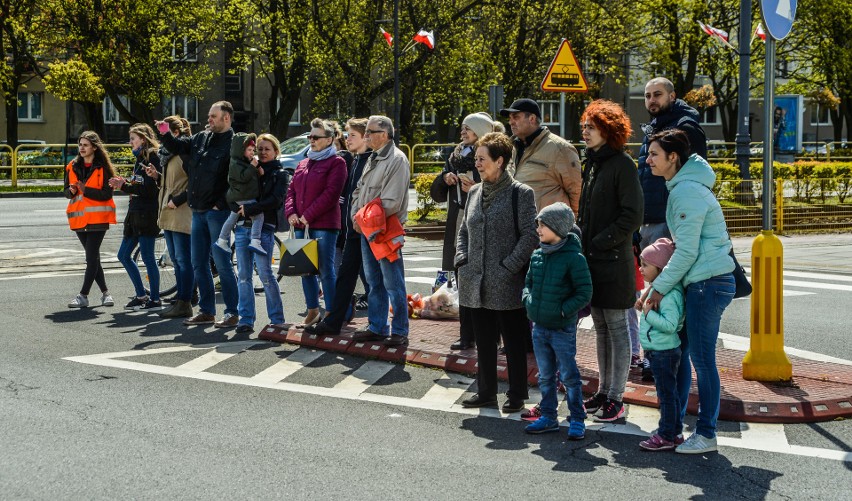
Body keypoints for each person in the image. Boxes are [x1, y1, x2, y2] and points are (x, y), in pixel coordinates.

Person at [644, 129, 735, 454]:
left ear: (673, 158)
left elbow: (687, 251)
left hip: (707, 284)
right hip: (702, 281)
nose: (648, 159)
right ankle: (671, 430)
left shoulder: (686, 192)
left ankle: (706, 434)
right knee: (683, 355)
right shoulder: (684, 187)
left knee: (702, 360)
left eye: (654, 154)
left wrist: (658, 289)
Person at [455, 132, 538, 412]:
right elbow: (464, 229)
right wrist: (462, 258)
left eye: (481, 159)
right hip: (475, 279)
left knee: (513, 343)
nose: (477, 163)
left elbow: (530, 236)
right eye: (476, 158)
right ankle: (486, 391)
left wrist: (509, 267)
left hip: (506, 281)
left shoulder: (521, 194)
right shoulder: (475, 192)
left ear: (499, 161)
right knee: (484, 342)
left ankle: (516, 395)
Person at [576, 99, 644, 423]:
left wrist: (601, 242)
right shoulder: (592, 164)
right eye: (584, 126)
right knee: (600, 326)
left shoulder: (622, 165)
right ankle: (604, 391)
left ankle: (617, 397)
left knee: (617, 329)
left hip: (614, 262)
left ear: (608, 129)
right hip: (593, 259)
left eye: (591, 127)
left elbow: (632, 215)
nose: (585, 132)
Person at [157, 101, 238, 328]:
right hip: (198, 210)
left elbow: (236, 179)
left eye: (214, 116)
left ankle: (232, 312)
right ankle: (207, 311)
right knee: (198, 263)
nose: (209, 119)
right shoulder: (201, 138)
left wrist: (220, 203)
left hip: (217, 213)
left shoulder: (234, 143)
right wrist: (164, 133)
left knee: (222, 264)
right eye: (209, 116)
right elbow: (178, 146)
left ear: (226, 118)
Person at [522, 202, 592, 439]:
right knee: (545, 375)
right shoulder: (537, 255)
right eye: (538, 224)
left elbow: (584, 292)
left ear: (559, 228)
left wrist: (564, 311)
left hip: (562, 328)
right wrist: (528, 301)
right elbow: (528, 283)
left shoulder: (574, 258)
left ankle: (577, 419)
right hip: (539, 327)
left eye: (543, 225)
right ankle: (549, 416)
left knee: (570, 376)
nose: (538, 229)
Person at [429, 112, 493, 351]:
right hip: (458, 222)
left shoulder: (491, 153)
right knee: (462, 278)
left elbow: (499, 187)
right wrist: (444, 179)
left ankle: (487, 334)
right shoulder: (456, 156)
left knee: (483, 282)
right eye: (462, 128)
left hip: (481, 224)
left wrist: (477, 188)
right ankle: (466, 335)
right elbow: (437, 195)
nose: (463, 132)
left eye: (468, 128)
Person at [305, 118, 372, 336]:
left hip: (364, 227)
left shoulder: (358, 161)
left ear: (366, 137)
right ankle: (334, 320)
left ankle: (381, 325)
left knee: (373, 278)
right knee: (344, 274)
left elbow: (336, 194)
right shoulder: (353, 160)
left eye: (352, 134)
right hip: (351, 227)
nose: (347, 138)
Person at [349, 115, 410, 346]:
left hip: (386, 230)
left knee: (394, 284)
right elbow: (358, 191)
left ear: (384, 135)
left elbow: (391, 202)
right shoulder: (374, 158)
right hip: (368, 228)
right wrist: (358, 214)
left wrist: (362, 217)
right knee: (374, 282)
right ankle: (377, 326)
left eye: (369, 132)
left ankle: (400, 331)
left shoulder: (397, 160)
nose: (366, 136)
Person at [285, 118, 348, 326]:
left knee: (325, 270)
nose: (311, 140)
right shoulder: (304, 162)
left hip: (324, 225)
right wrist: (291, 213)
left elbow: (331, 194)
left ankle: (331, 312)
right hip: (302, 224)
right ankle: (313, 311)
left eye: (316, 137)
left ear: (329, 139)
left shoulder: (337, 163)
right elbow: (291, 191)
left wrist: (308, 215)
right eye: (310, 136)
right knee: (306, 269)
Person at [636, 77, 707, 249]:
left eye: (657, 94)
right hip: (649, 219)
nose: (652, 100)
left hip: (671, 219)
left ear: (672, 96)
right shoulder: (653, 129)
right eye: (647, 96)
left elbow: (697, 176)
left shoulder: (685, 128)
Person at [233, 134, 289, 334]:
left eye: (267, 149)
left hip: (265, 229)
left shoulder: (280, 174)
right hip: (242, 228)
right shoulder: (251, 171)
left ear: (276, 151)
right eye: (260, 149)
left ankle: (277, 320)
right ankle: (245, 319)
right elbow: (235, 191)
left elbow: (275, 201)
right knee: (244, 276)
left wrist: (250, 209)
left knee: (265, 275)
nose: (263, 152)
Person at [636, 238, 685, 451]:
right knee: (669, 394)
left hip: (664, 351)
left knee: (666, 396)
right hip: (659, 351)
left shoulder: (670, 295)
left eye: (646, 265)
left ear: (661, 268)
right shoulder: (658, 289)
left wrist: (649, 314)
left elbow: (670, 325)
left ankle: (665, 435)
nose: (641, 268)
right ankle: (674, 433)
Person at [110, 123, 163, 310]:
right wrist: (124, 183)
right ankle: (141, 294)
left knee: (148, 257)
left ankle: (155, 299)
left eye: (133, 138)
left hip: (147, 214)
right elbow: (139, 184)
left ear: (143, 139)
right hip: (135, 213)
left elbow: (148, 190)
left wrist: (123, 186)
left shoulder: (152, 158)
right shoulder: (140, 158)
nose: (130, 142)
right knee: (123, 255)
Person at [499, 98, 582, 212]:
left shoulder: (560, 148)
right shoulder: (511, 148)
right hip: (516, 225)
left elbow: (576, 193)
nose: (511, 122)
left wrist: (569, 226)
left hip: (546, 226)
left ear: (532, 119)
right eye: (510, 118)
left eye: (516, 117)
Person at [64, 131, 117, 308]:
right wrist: (70, 192)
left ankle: (83, 295)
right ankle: (106, 294)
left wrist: (85, 190)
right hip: (79, 220)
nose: (82, 148)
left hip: (98, 219)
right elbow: (65, 191)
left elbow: (106, 194)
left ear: (94, 147)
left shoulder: (103, 168)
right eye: (80, 145)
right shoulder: (72, 166)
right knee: (93, 259)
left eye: (85, 145)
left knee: (91, 258)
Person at [149, 116, 195, 318]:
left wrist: (178, 200)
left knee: (183, 260)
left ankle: (186, 301)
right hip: (168, 212)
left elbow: (195, 183)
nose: (161, 140)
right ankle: (183, 297)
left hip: (181, 212)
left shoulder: (184, 153)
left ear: (175, 133)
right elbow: (169, 183)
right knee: (176, 259)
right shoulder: (168, 155)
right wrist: (157, 177)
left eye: (164, 133)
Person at [215, 133, 265, 256]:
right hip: (244, 197)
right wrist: (253, 167)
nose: (252, 153)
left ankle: (221, 239)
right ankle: (255, 240)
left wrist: (256, 167)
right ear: (240, 150)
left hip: (240, 197)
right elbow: (243, 178)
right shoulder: (236, 164)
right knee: (258, 215)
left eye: (253, 150)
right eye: (249, 150)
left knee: (232, 218)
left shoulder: (243, 162)